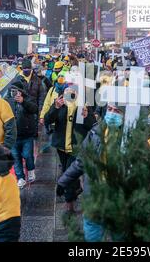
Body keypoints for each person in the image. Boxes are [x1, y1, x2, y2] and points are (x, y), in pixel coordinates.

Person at [57, 103, 123, 242]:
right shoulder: (96, 132)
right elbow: (81, 161)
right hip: (94, 195)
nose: (112, 113)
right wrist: (63, 181)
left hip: (119, 199)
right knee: (92, 234)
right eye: (110, 109)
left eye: (117, 111)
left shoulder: (130, 136)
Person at [44, 85, 96, 213]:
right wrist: (55, 108)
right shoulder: (60, 105)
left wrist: (87, 116)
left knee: (68, 173)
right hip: (61, 147)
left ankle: (69, 203)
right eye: (66, 93)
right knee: (70, 173)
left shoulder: (83, 106)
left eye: (72, 93)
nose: (69, 95)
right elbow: (47, 120)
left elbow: (92, 126)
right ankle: (76, 188)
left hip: (76, 148)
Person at [5, 79, 38, 189]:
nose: (14, 93)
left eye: (17, 91)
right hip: (14, 136)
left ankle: (31, 169)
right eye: (12, 90)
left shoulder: (28, 99)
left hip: (27, 135)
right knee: (16, 157)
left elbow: (34, 109)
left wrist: (23, 101)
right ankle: (20, 178)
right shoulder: (7, 101)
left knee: (28, 155)